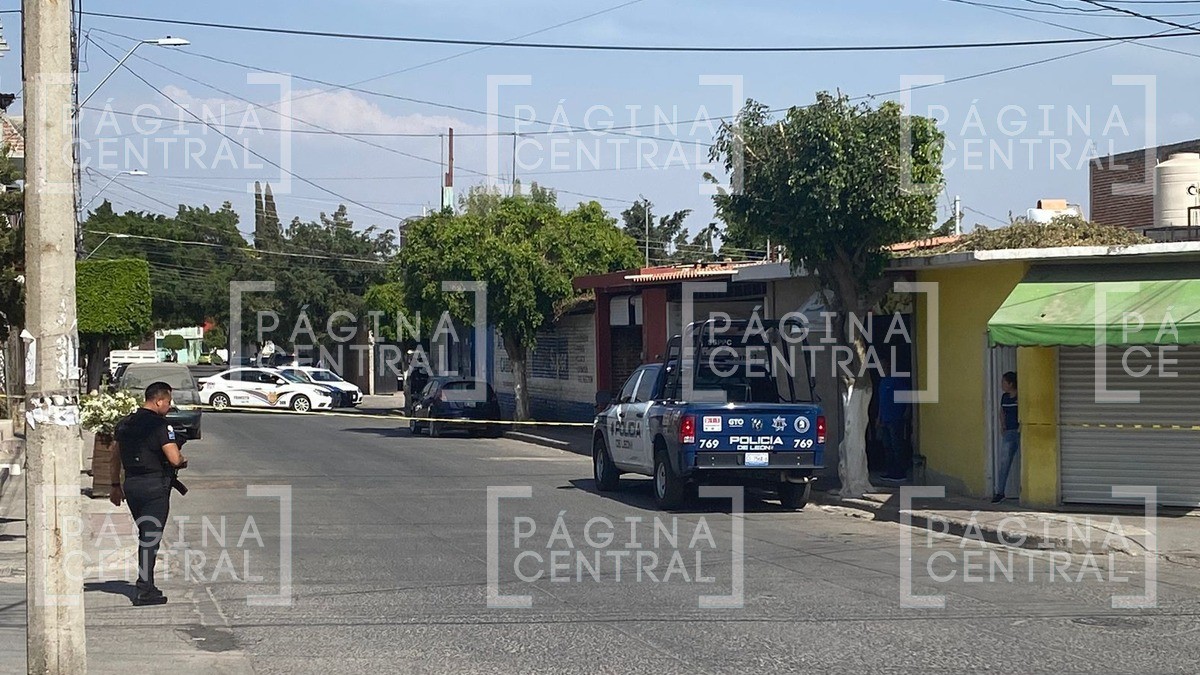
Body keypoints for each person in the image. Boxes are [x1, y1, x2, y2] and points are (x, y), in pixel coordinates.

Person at [108, 382, 189, 606]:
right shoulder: (160, 426)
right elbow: (174, 458)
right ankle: (145, 588)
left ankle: (146, 583)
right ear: (159, 400)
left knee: (146, 534)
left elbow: (114, 456)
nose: (169, 406)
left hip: (132, 485)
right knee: (150, 538)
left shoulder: (125, 423)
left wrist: (115, 484)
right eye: (168, 402)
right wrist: (182, 460)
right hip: (154, 486)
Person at [876, 353, 912, 482]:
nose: (882, 368)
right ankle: (890, 471)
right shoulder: (882, 382)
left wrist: (907, 410)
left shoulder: (896, 380)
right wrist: (879, 418)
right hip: (885, 418)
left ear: (889, 366)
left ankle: (900, 472)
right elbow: (881, 402)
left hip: (896, 417)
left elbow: (907, 394)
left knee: (897, 445)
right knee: (887, 446)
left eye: (883, 366)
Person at [993, 371, 1020, 503]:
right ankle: (1000, 492)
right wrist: (1002, 425)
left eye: (1004, 382)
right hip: (1009, 432)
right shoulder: (1005, 397)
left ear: (1011, 383)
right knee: (1004, 462)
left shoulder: (1019, 397)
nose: (1002, 385)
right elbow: (1002, 412)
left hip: (1019, 431)